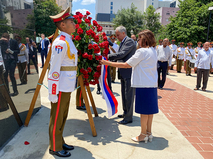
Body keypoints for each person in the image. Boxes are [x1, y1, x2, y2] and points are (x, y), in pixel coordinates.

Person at [101, 29, 158, 143]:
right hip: (151, 84)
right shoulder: (153, 50)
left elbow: (127, 64)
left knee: (143, 112)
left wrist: (107, 63)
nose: (137, 41)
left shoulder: (142, 52)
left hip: (143, 84)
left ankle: (142, 135)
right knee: (149, 112)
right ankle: (148, 133)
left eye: (139, 39)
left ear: (145, 40)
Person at [48, 7, 77, 157]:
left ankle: (60, 140)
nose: (74, 24)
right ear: (63, 25)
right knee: (57, 116)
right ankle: (54, 146)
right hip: (60, 86)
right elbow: (54, 69)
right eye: (71, 21)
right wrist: (53, 91)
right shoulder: (60, 43)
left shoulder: (67, 41)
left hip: (66, 85)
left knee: (63, 116)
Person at [107, 26, 136, 125]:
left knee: (129, 95)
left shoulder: (129, 41)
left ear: (123, 33)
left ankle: (128, 117)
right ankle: (125, 112)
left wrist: (107, 57)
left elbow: (122, 54)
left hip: (128, 72)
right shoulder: (123, 42)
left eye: (118, 35)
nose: (117, 37)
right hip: (123, 71)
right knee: (124, 94)